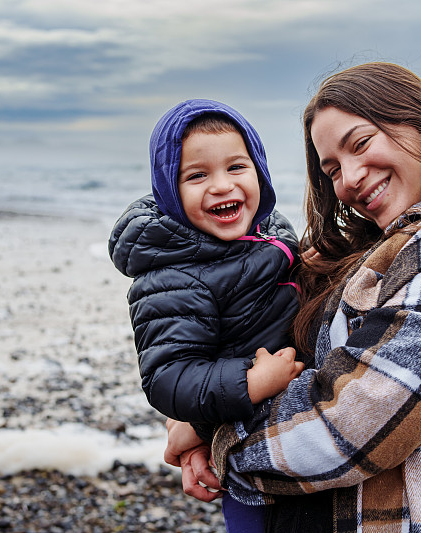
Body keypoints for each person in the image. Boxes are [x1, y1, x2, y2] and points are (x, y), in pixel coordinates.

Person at [165, 63, 421, 532]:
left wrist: (211, 431)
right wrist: (197, 408)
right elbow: (254, 341)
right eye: (332, 169)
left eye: (361, 144)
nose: (350, 178)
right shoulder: (371, 250)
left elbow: (357, 419)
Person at [108, 99, 304, 533]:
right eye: (196, 175)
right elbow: (168, 377)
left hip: (289, 428)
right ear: (169, 191)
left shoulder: (274, 234)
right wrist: (250, 382)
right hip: (249, 458)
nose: (221, 185)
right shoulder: (173, 276)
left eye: (237, 167)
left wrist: (194, 427)